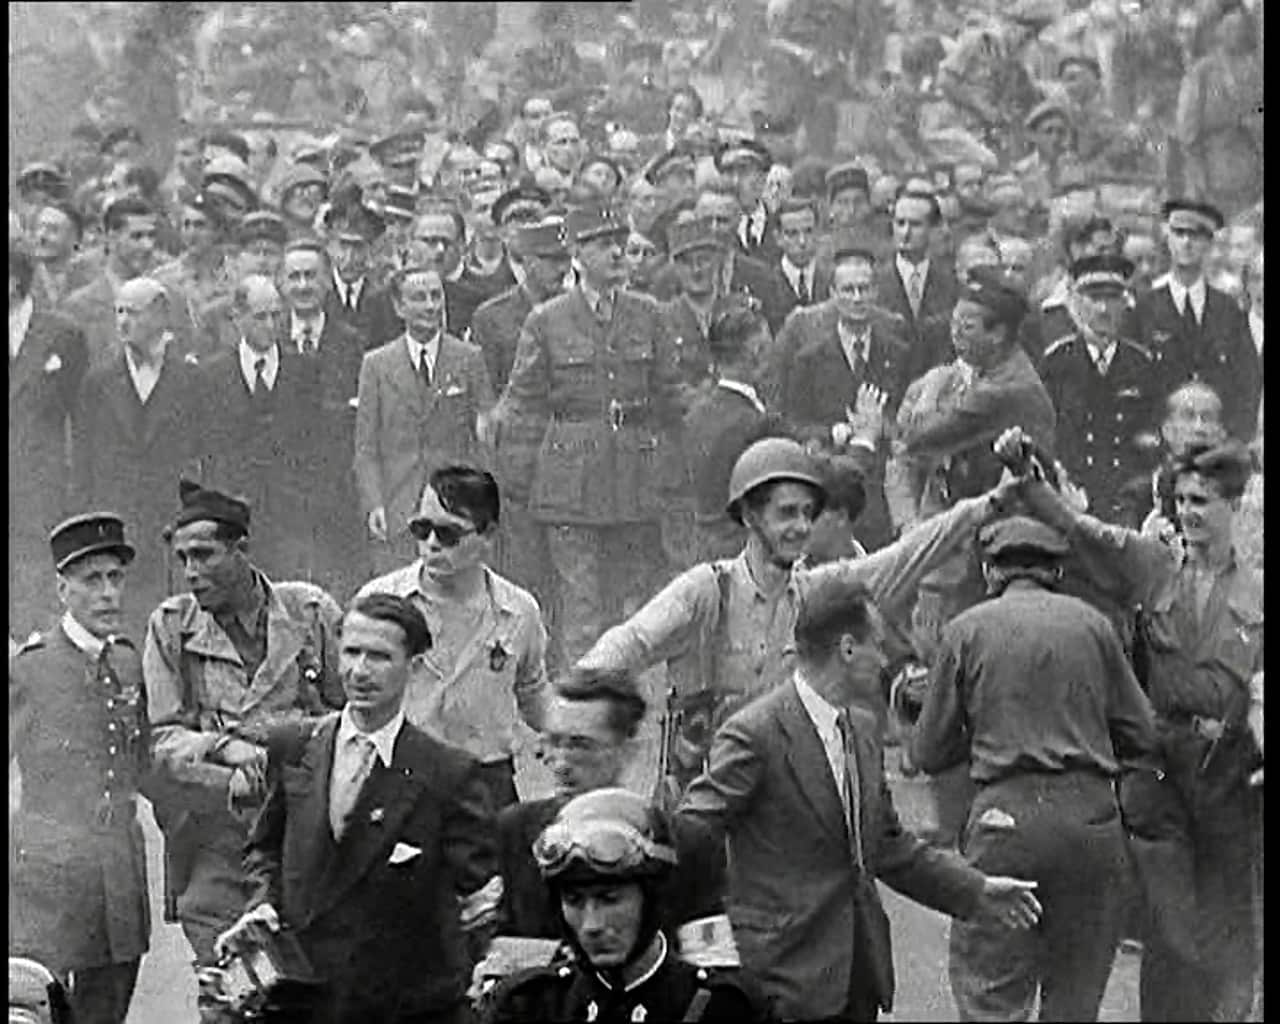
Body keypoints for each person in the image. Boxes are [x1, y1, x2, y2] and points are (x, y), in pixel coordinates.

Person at [676, 574, 1042, 1021]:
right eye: (878, 645)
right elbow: (692, 832)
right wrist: (706, 943)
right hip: (779, 983)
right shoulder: (755, 734)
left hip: (857, 979)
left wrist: (976, 890)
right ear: (847, 649)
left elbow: (888, 845)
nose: (884, 659)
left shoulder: (863, 731)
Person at [580, 434, 1019, 794]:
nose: (802, 527)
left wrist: (989, 505)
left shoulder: (813, 592)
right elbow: (631, 642)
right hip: (702, 804)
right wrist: (574, 699)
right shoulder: (706, 592)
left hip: (777, 800)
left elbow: (904, 557)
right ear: (749, 515)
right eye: (787, 513)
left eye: (809, 513)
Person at [1009, 433, 1263, 1022]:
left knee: (1226, 915)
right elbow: (1081, 531)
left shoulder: (1258, 590)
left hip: (1228, 769)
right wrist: (1029, 474)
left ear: (1233, 505)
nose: (1188, 513)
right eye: (1182, 500)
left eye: (1202, 501)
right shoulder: (1154, 566)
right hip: (1160, 766)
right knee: (1171, 922)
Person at [912, 515, 1159, 1021]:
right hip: (1091, 824)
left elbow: (928, 753)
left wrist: (984, 728)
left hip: (1005, 823)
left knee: (991, 997)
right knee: (1074, 1002)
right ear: (1056, 572)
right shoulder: (1096, 627)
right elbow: (1144, 734)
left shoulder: (965, 631)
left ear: (990, 571)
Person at [217, 592, 501, 1024]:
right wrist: (262, 904)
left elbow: (477, 900)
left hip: (399, 1006)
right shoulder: (294, 746)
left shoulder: (447, 773)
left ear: (414, 667)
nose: (360, 671)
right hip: (302, 998)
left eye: (380, 657)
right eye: (351, 653)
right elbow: (264, 848)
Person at [141, 482, 344, 988]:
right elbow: (162, 740)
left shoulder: (311, 614)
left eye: (204, 554)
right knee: (230, 982)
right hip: (222, 837)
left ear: (242, 548)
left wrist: (282, 743)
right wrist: (222, 748)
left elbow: (351, 716)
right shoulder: (172, 627)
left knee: (319, 986)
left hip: (311, 832)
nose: (191, 572)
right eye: (183, 559)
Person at [494, 205, 687, 665]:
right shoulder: (547, 320)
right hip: (570, 484)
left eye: (620, 242)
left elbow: (671, 399)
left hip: (634, 480)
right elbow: (523, 407)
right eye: (603, 245)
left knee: (631, 603)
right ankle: (579, 700)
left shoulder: (649, 314)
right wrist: (521, 486)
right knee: (580, 607)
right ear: (578, 255)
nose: (618, 253)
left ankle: (624, 696)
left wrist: (667, 469)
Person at [10, 514, 151, 1024]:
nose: (108, 593)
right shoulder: (30, 669)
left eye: (115, 578)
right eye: (92, 580)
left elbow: (146, 766)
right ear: (62, 589)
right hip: (48, 883)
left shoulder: (129, 662)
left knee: (107, 1014)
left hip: (119, 875)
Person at [356, 466, 547, 812]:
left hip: (486, 784)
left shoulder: (519, 612)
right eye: (422, 529)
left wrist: (572, 733)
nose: (431, 544)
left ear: (488, 535)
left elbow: (533, 693)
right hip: (400, 779)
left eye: (448, 534)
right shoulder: (380, 602)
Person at [488, 788, 767, 1024]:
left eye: (610, 900)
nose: (592, 925)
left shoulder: (721, 1007)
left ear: (652, 899)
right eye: (574, 901)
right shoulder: (528, 1006)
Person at [69, 276, 203, 633]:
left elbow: (203, 453)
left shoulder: (191, 380)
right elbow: (83, 461)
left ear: (160, 316)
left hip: (169, 526)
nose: (123, 322)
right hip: (116, 525)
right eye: (119, 312)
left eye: (134, 312)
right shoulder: (98, 382)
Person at [768, 243, 911, 550]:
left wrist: (880, 426)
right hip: (834, 492)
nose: (857, 298)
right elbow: (791, 424)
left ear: (876, 292)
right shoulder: (809, 359)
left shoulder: (898, 352)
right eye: (848, 290)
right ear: (833, 293)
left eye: (864, 289)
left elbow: (906, 416)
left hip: (885, 489)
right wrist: (834, 432)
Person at [355, 265, 495, 575]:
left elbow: (484, 438)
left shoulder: (469, 358)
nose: (431, 306)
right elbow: (366, 446)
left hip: (455, 509)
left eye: (436, 296)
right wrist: (374, 503)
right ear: (399, 307)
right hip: (398, 506)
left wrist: (481, 503)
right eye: (419, 298)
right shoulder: (376, 365)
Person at [189, 275, 320, 582]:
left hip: (290, 515)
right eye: (260, 317)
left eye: (276, 315)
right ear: (238, 317)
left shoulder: (305, 369)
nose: (270, 325)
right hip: (234, 515)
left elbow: (314, 444)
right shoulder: (211, 375)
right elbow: (207, 449)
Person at [1039, 254, 1164, 523]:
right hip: (1072, 498)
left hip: (1128, 501)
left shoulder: (1143, 365)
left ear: (1125, 303)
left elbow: (1152, 437)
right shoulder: (1056, 364)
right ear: (1075, 301)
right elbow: (1047, 437)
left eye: (1112, 298)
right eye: (1094, 299)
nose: (1103, 309)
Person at [10, 242, 90, 639]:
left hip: (41, 489)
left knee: (35, 592)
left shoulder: (62, 334)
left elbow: (82, 415)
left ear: (13, 282)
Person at [1136, 199, 1260, 441]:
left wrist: (1232, 439)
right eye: (1179, 233)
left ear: (1209, 243)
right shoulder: (1144, 309)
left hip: (1216, 445)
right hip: (1159, 444)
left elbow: (1248, 382)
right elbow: (1130, 382)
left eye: (1196, 235)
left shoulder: (1229, 311)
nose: (1187, 242)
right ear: (1168, 238)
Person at [683, 304, 780, 563]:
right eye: (768, 347)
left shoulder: (695, 415)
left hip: (701, 553)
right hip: (746, 555)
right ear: (756, 353)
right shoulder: (756, 424)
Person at [878, 188, 958, 387]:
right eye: (900, 223)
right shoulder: (874, 282)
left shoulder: (952, 284)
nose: (905, 233)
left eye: (915, 225)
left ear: (933, 229)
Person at [323, 196, 401, 351]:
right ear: (329, 246)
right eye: (343, 246)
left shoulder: (384, 300)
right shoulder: (319, 294)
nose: (349, 257)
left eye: (358, 247)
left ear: (370, 250)